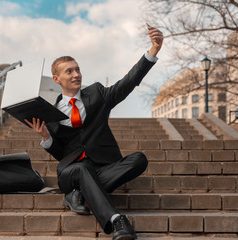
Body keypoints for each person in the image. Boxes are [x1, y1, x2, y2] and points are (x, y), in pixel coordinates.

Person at [25, 25, 163, 240]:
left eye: (77, 69)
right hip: (71, 172)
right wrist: (46, 137)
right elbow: (62, 155)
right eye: (69, 71)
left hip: (103, 166)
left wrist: (152, 52)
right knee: (80, 169)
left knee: (139, 159)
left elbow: (127, 83)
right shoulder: (50, 114)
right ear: (56, 79)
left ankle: (80, 193)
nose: (76, 74)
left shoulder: (97, 93)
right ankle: (117, 220)